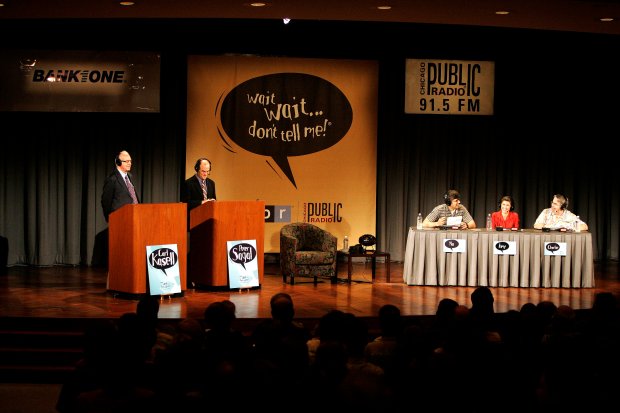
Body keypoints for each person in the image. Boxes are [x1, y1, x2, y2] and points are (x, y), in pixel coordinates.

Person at [101, 150, 139, 222]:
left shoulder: (130, 177)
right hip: (120, 220)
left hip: (135, 217)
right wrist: (111, 219)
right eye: (127, 161)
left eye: (130, 161)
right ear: (118, 162)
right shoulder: (112, 179)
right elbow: (106, 201)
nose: (130, 163)